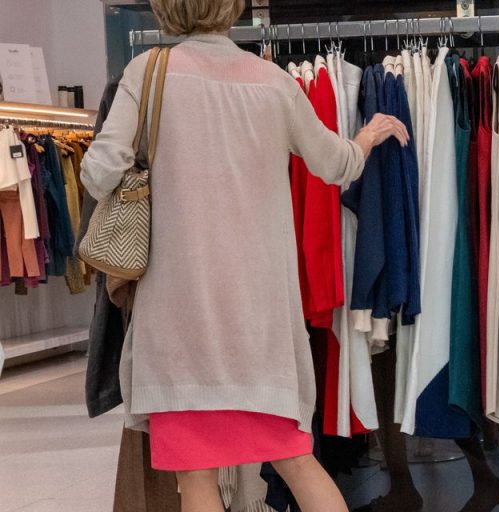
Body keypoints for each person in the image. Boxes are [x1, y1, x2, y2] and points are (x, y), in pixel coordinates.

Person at [80, 0, 409, 511]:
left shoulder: (148, 73)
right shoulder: (274, 81)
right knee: (298, 462)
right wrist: (366, 136)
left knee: (197, 480)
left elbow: (99, 173)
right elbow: (335, 164)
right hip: (260, 327)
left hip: (179, 326)